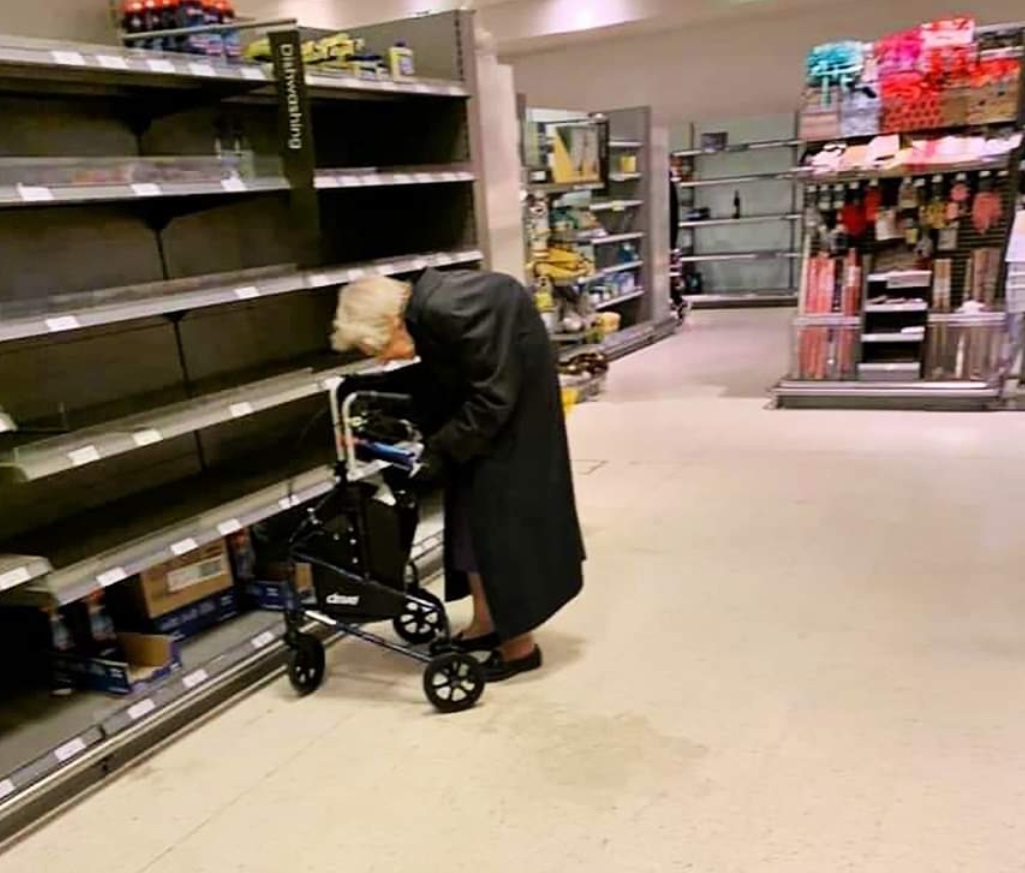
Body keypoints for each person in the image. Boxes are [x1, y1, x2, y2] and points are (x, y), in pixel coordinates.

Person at [331, 268, 585, 681]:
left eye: (375, 346)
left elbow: (491, 398)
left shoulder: (450, 310)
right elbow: (443, 376)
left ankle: (520, 648)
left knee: (502, 530)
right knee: (469, 522)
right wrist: (366, 388)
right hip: (489, 423)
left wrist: (437, 453)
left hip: (512, 427)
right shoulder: (428, 314)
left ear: (390, 322)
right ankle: (486, 624)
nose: (381, 357)